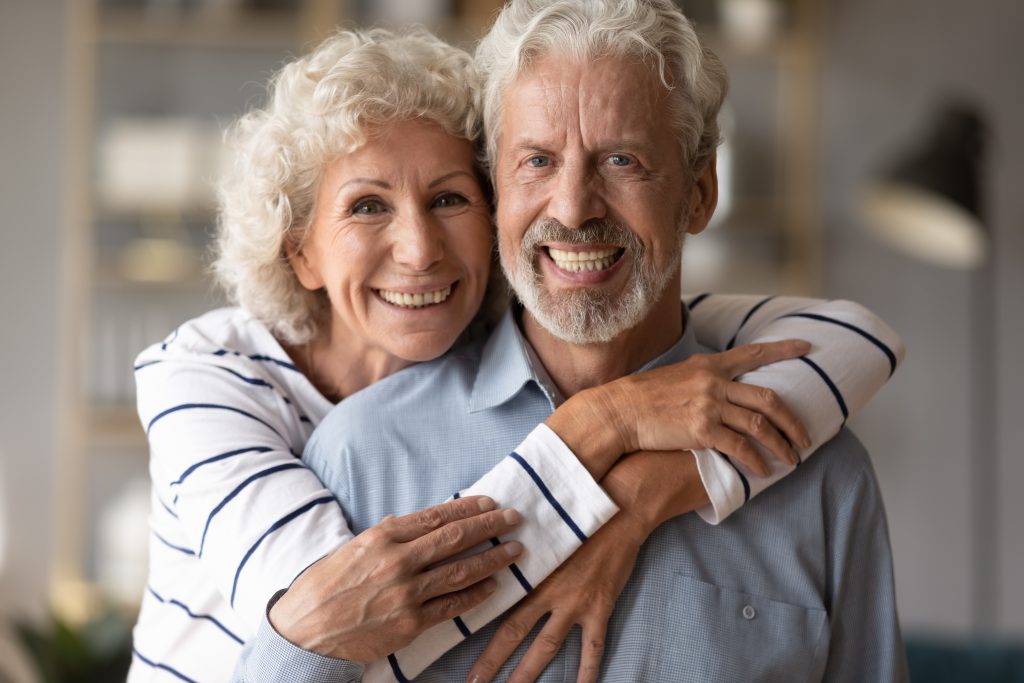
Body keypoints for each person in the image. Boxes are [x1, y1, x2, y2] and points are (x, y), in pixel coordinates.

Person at [129, 24, 903, 683]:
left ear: (700, 195)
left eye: (623, 160)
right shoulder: (312, 438)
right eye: (537, 160)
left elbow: (859, 339)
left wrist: (646, 492)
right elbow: (313, 626)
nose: (572, 208)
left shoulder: (819, 470)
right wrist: (611, 424)